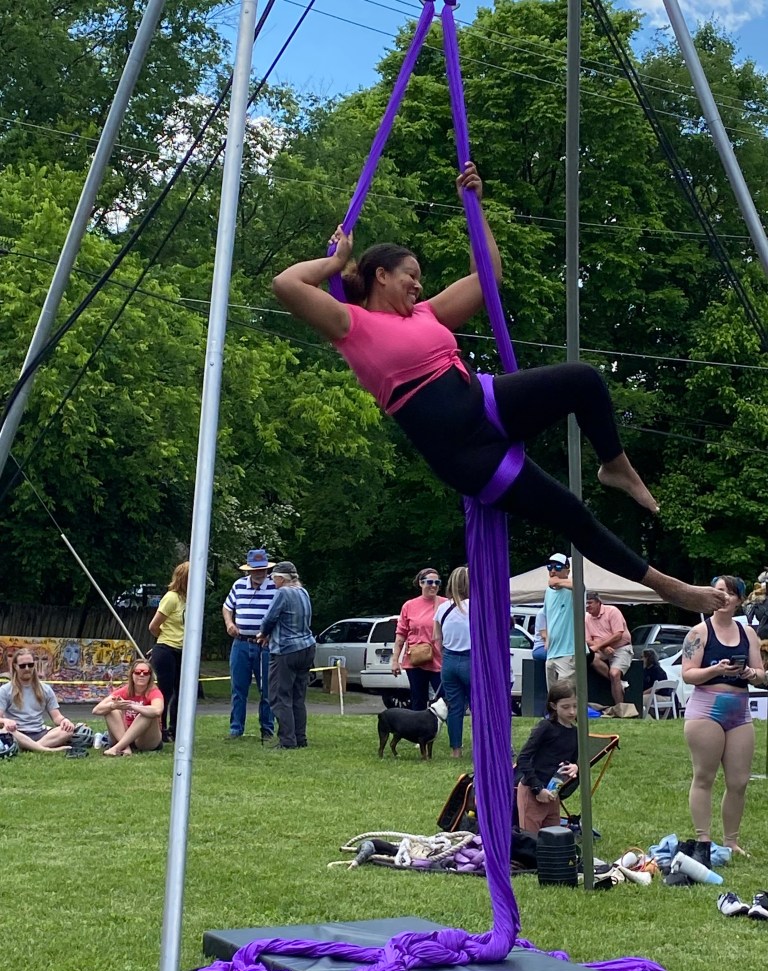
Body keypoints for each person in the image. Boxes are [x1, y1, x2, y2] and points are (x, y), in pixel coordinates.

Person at [272, 161, 724, 616]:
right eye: (410, 273)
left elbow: (489, 277)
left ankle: (615, 464)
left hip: (485, 401)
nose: (418, 283)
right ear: (381, 275)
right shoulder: (352, 325)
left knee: (583, 379)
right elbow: (286, 283)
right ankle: (671, 588)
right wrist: (334, 261)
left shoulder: (426, 314)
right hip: (468, 454)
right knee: (571, 513)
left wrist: (475, 209)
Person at [681, 574, 766, 855]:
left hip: (739, 710)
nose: (724, 597)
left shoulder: (748, 633)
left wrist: (749, 673)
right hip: (707, 708)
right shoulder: (698, 633)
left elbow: (761, 674)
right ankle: (704, 839)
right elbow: (688, 674)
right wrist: (716, 670)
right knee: (704, 776)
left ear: (740, 600)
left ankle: (731, 841)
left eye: (730, 593)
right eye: (718, 591)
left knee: (738, 781)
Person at [256, 560, 316, 750]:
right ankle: (300, 738)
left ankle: (287, 741)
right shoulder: (303, 592)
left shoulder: (282, 593)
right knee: (298, 696)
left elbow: (270, 617)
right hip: (307, 647)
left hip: (286, 650)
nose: (273, 582)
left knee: (280, 696)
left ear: (281, 578)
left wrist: (263, 634)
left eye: (274, 578)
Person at [222, 549, 277, 740]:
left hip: (265, 645)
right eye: (256, 570)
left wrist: (272, 634)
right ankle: (236, 729)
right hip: (241, 643)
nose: (260, 573)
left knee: (268, 689)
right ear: (249, 571)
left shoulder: (274, 587)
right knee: (238, 688)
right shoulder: (238, 585)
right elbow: (227, 607)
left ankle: (267, 730)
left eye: (263, 569)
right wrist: (229, 623)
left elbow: (280, 613)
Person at [515, 681, 579, 832]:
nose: (571, 712)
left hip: (553, 793)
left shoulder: (575, 732)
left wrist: (575, 766)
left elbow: (575, 760)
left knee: (552, 839)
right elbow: (523, 758)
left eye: (575, 706)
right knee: (531, 840)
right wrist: (538, 788)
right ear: (553, 705)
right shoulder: (545, 727)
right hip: (532, 791)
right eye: (566, 707)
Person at [391, 568, 448, 711]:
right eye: (429, 582)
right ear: (421, 583)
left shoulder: (447, 604)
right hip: (416, 660)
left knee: (445, 698)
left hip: (440, 660)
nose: (434, 585)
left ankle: (451, 731)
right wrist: (395, 661)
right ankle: (418, 732)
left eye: (437, 582)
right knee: (418, 699)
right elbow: (400, 635)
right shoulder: (409, 606)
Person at [0, 649, 76, 752]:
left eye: (30, 665)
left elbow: (57, 717)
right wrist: (5, 721)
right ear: (15, 666)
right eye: (22, 666)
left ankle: (31, 747)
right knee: (6, 731)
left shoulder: (45, 689)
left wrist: (64, 721)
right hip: (16, 732)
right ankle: (46, 750)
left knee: (67, 731)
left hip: (40, 733)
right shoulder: (5, 690)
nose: (27, 669)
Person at [148, 560, 188, 742]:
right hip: (166, 649)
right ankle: (160, 730)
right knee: (165, 691)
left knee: (183, 692)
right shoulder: (172, 598)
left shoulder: (191, 600)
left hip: (184, 651)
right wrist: (165, 639)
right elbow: (153, 626)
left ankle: (176, 729)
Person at [434, 566, 471, 758]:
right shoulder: (476, 606)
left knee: (455, 708)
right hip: (471, 660)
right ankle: (482, 746)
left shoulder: (442, 608)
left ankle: (455, 750)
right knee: (478, 707)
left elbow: (437, 638)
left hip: (448, 661)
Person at [92, 658, 164, 756]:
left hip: (145, 740)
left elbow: (157, 710)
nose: (141, 675)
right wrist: (113, 705)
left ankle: (117, 748)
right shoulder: (125, 690)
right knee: (110, 710)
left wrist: (131, 706)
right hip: (123, 735)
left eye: (146, 673)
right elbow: (96, 710)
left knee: (146, 713)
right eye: (138, 672)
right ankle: (125, 748)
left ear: (150, 676)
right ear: (132, 675)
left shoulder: (154, 692)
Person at [584, 591, 633, 706]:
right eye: (585, 603)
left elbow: (618, 634)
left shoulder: (612, 611)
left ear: (598, 602)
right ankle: (619, 683)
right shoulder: (586, 618)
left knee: (614, 673)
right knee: (592, 658)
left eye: (590, 603)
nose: (587, 606)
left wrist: (600, 646)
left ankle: (620, 708)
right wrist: (603, 647)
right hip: (602, 650)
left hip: (621, 648)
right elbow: (587, 640)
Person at [543, 554, 578, 688]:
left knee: (566, 693)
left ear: (567, 571)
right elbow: (546, 616)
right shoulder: (548, 592)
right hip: (551, 652)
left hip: (568, 653)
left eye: (558, 567)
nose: (553, 571)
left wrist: (556, 582)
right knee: (552, 696)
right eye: (550, 567)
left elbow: (580, 585)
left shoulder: (573, 591)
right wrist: (546, 637)